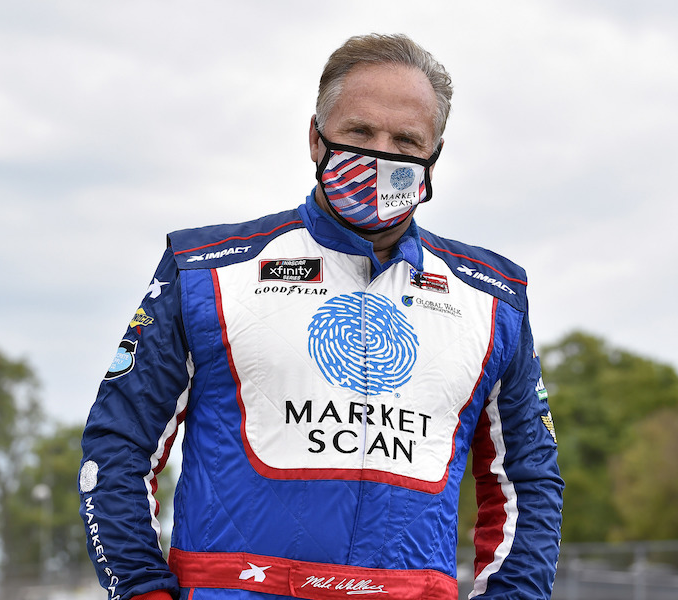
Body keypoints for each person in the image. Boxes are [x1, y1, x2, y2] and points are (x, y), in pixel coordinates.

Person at [78, 33, 563, 600]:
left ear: (433, 158)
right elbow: (118, 448)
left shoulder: (494, 300)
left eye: (406, 140)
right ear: (315, 137)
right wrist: (141, 590)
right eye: (359, 132)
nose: (381, 154)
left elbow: (528, 484)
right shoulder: (204, 272)